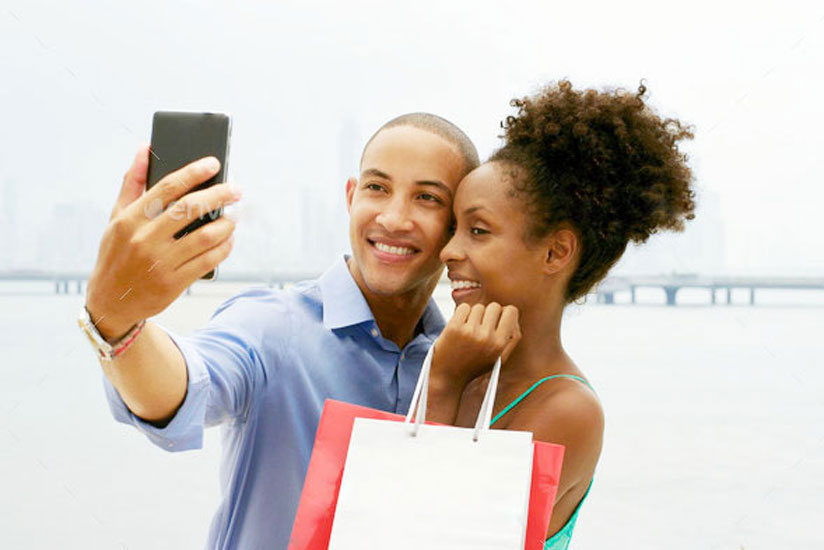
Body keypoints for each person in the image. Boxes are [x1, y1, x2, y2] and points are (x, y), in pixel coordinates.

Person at [80, 113, 479, 549]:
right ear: (351, 196)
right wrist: (114, 320)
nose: (394, 218)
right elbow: (180, 389)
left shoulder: (463, 362)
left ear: (459, 224)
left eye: (426, 198)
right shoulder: (272, 327)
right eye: (377, 188)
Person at [427, 80, 696, 548]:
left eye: (478, 229)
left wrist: (442, 385)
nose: (449, 250)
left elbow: (448, 536)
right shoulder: (459, 360)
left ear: (555, 252)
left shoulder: (567, 411)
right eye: (453, 228)